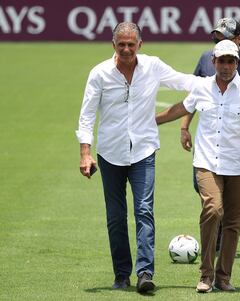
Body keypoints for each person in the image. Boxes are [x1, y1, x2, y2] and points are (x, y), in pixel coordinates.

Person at [75, 22, 195, 294]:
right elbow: (87, 114)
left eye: (132, 44)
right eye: (122, 44)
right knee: (116, 216)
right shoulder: (100, 74)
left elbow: (184, 81)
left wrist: (214, 82)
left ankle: (145, 273)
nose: (127, 49)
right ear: (113, 45)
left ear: (140, 44)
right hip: (110, 153)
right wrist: (85, 152)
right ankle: (121, 274)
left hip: (143, 151)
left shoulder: (152, 66)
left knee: (144, 210)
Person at [156, 40, 240, 292]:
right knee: (213, 208)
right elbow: (180, 109)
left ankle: (223, 278)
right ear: (213, 62)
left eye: (231, 61)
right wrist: (152, 121)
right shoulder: (201, 87)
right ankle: (206, 275)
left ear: (237, 63)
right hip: (207, 162)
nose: (226, 66)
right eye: (222, 61)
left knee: (232, 222)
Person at [181, 18, 240, 251]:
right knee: (202, 189)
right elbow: (193, 95)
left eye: (225, 38)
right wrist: (184, 127)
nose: (219, 42)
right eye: (216, 38)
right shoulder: (205, 59)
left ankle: (218, 244)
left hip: (238, 142)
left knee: (222, 204)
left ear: (239, 40)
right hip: (208, 143)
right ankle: (215, 233)